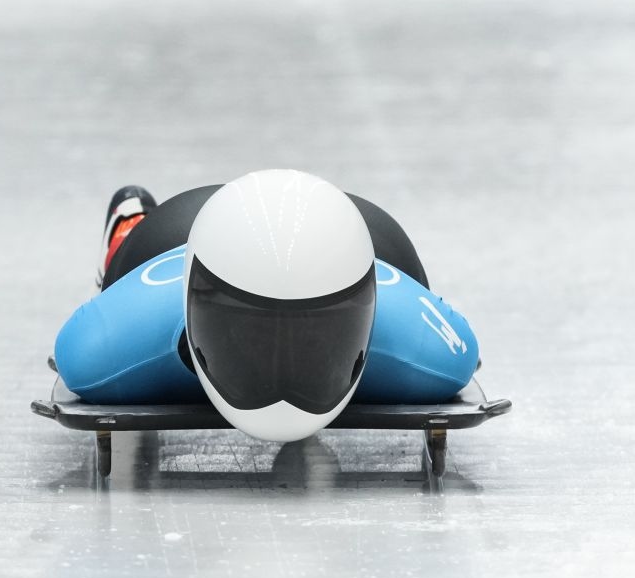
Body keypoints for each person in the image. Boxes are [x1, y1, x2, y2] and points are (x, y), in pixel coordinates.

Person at [54, 169, 479, 442]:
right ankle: (129, 236)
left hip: (369, 247)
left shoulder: (98, 357)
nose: (281, 359)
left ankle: (132, 232)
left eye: (312, 331)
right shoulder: (434, 359)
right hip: (170, 241)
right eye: (252, 330)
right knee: (131, 262)